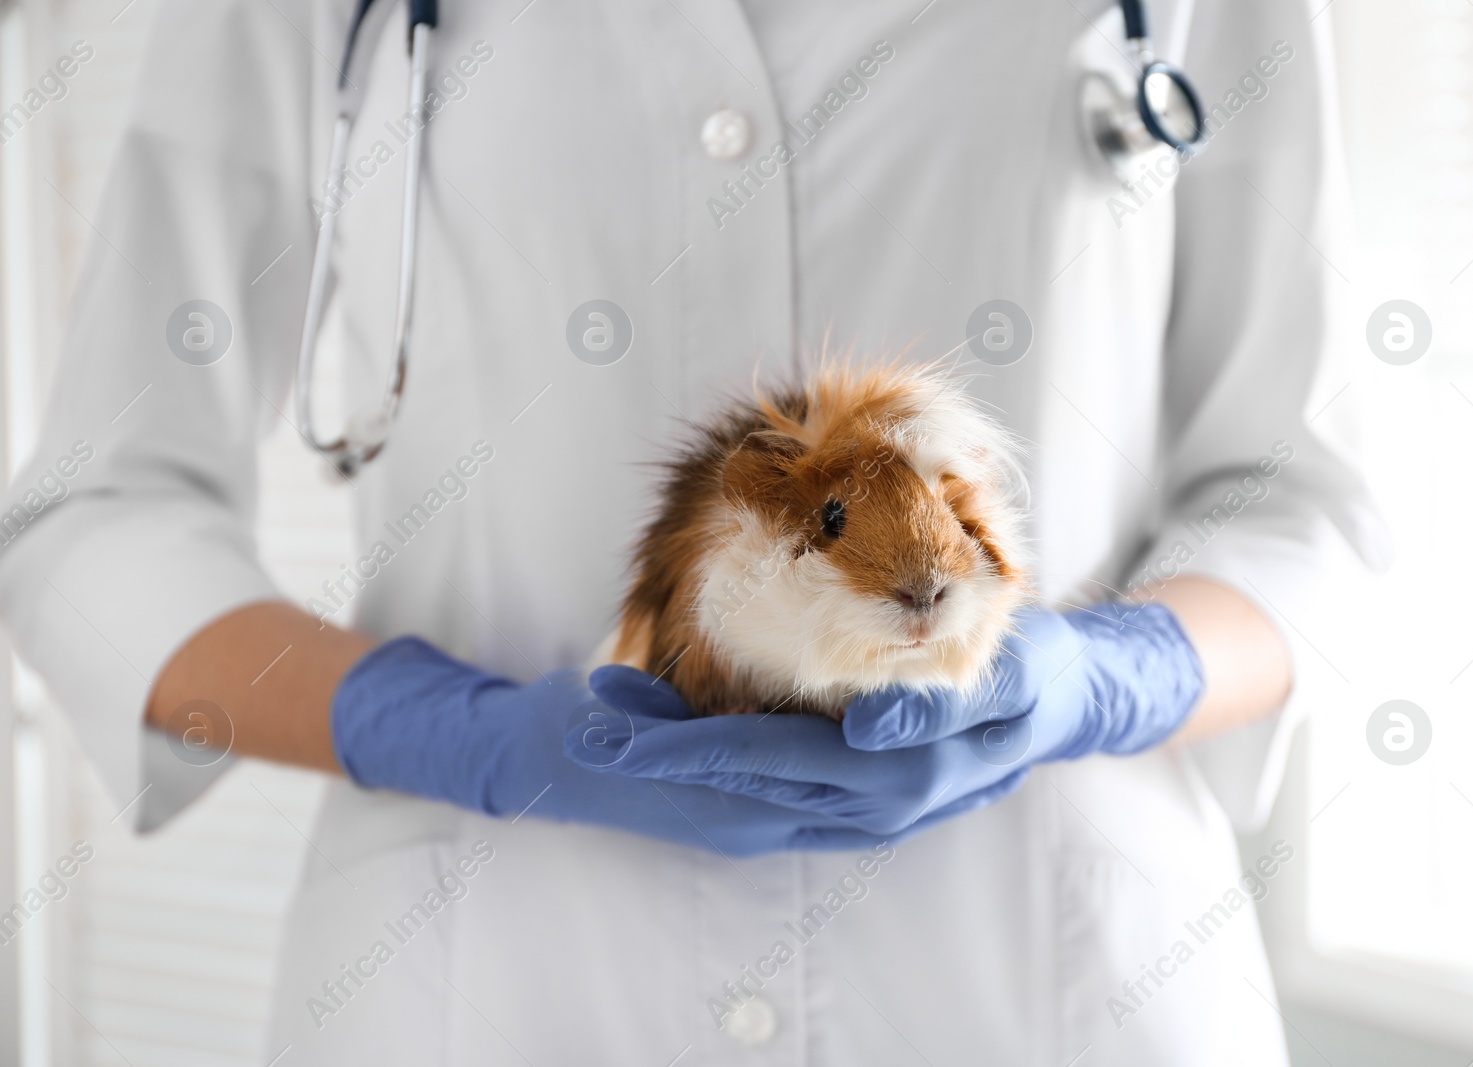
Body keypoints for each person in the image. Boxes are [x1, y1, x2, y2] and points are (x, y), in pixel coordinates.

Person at [0, 0, 1386, 1062]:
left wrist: (1100, 680)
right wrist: (436, 728)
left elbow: (1299, 502)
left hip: (1050, 987)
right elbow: (98, 522)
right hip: (492, 989)